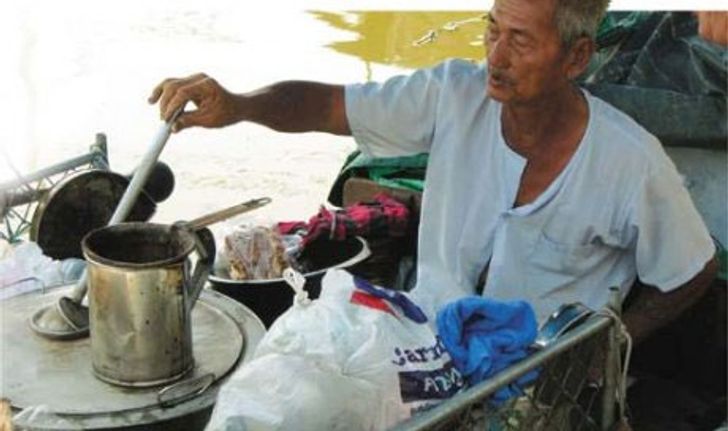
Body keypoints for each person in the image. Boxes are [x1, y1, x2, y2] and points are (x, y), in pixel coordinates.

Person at [149, 0, 717, 345]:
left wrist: (612, 345)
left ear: (576, 57)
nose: (495, 56)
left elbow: (691, 270)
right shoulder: (453, 94)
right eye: (493, 29)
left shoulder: (629, 162)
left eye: (520, 40)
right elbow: (327, 106)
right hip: (425, 342)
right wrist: (240, 104)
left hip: (542, 375)